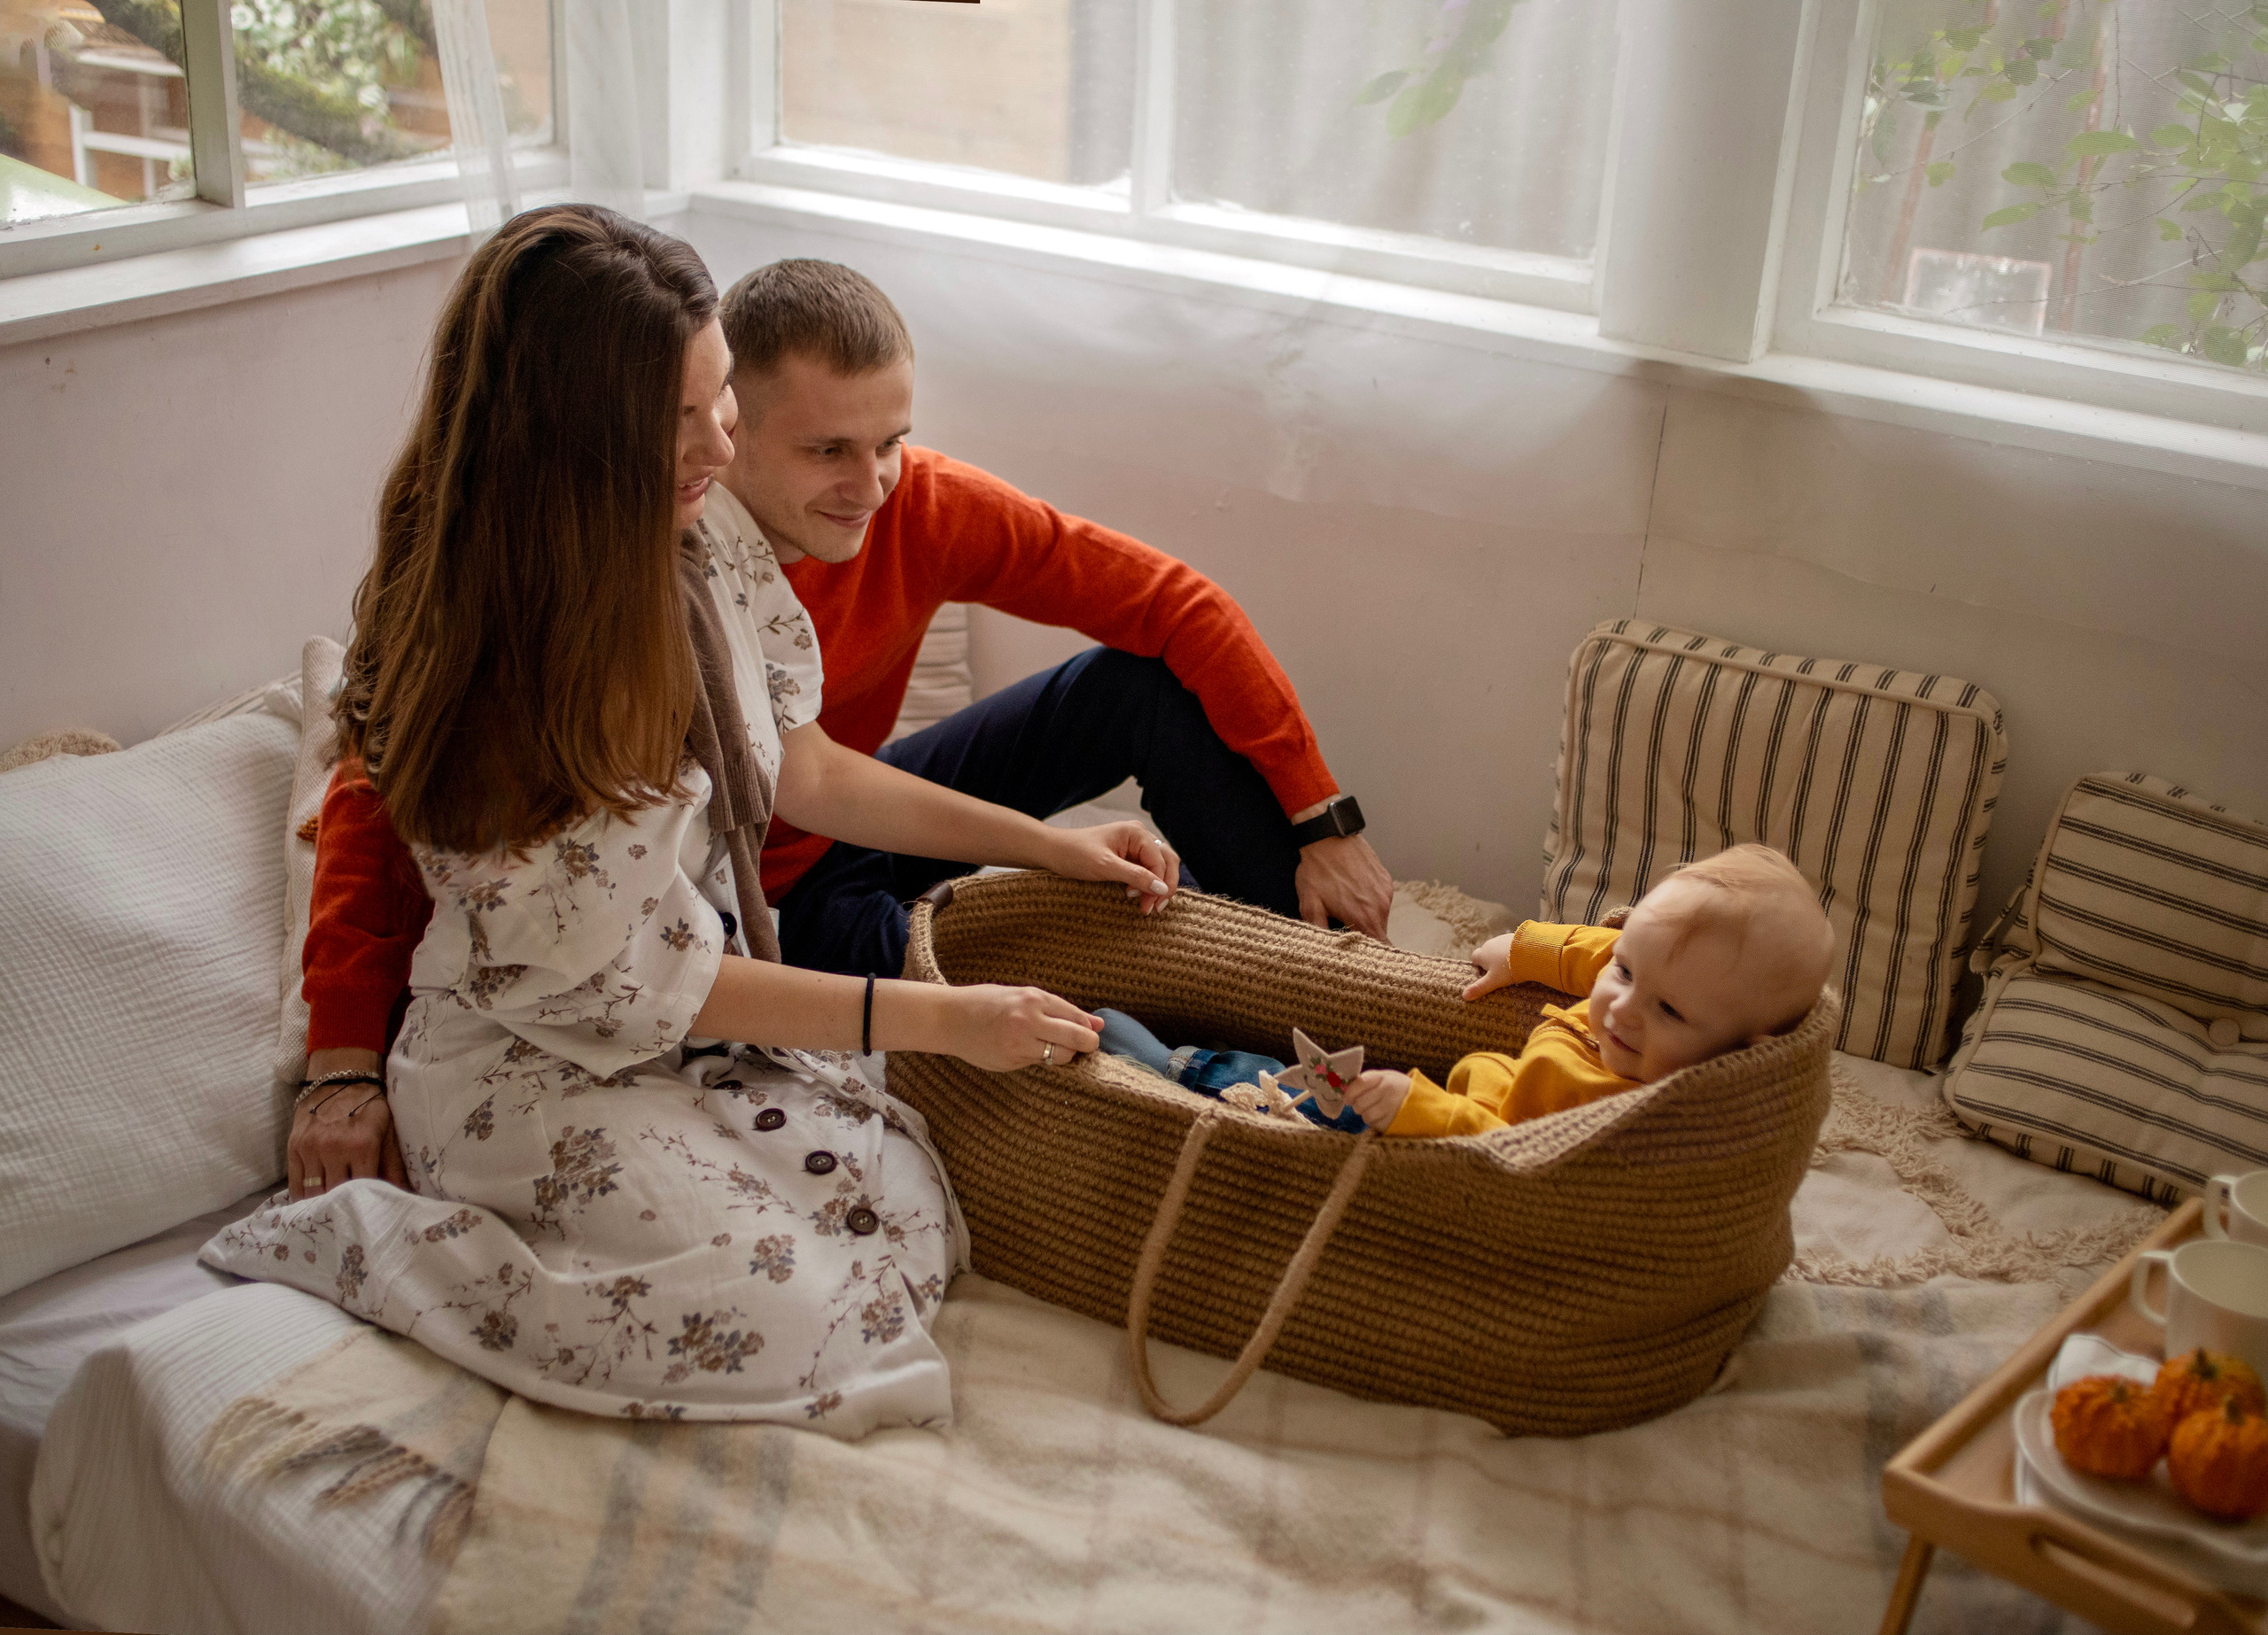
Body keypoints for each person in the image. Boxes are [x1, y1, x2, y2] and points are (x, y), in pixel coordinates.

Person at [206, 205, 1182, 1435]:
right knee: (792, 1319)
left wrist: (1048, 838)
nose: (721, 444)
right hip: (532, 1057)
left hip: (673, 1019)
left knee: (907, 1203)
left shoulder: (699, 550)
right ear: (571, 431)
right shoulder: (516, 661)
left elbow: (802, 768)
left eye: (720, 400)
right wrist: (950, 1018)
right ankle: (371, 1243)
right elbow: (641, 981)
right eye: (683, 416)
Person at [287, 255, 1388, 1202]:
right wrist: (340, 1053)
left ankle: (1307, 985)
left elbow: (1169, 603)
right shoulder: (643, 566)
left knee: (1133, 685)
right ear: (733, 432)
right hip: (755, 911)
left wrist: (1318, 814)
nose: (873, 486)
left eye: (892, 440)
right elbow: (380, 786)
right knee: (1044, 1010)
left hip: (841, 811)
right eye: (826, 452)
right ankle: (1246, 1092)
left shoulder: (907, 502)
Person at [1340, 845, 1835, 1136]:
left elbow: (1529, 1166)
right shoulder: (1666, 973)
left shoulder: (1641, 1120)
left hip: (1485, 1138)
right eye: (1625, 974)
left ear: (1744, 1057)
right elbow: (1603, 949)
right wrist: (1523, 951)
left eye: (1668, 1010)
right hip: (1502, 1087)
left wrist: (1425, 1112)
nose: (1622, 1007)